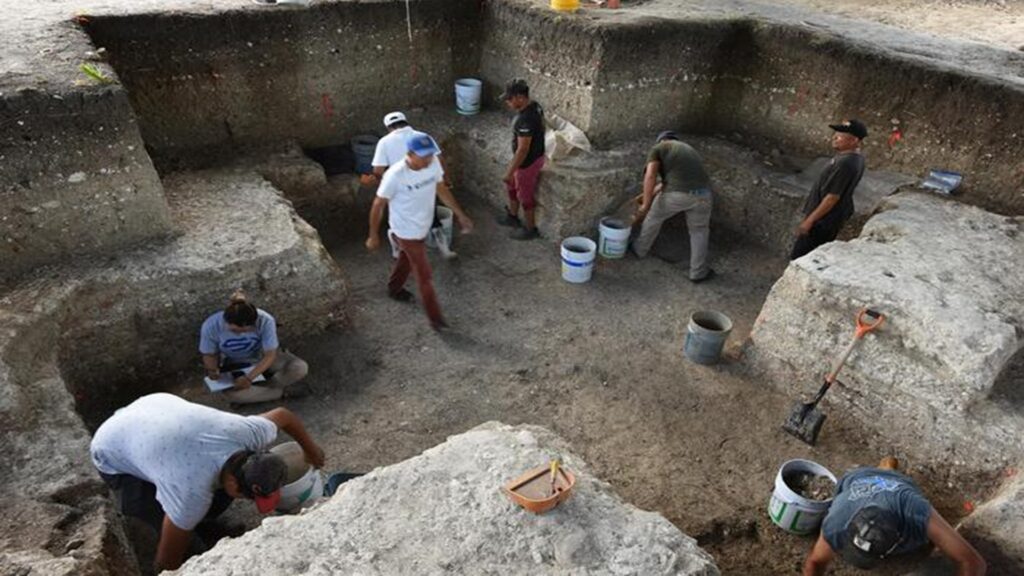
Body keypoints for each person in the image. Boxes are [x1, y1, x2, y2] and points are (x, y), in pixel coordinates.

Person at [90, 393, 326, 572]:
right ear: (235, 482)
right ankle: (197, 534)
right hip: (112, 448)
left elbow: (283, 415)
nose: (249, 501)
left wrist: (312, 451)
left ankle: (202, 525)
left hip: (154, 409)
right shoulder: (191, 491)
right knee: (170, 527)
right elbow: (166, 559)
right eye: (249, 496)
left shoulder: (249, 433)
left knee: (207, 502)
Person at [366, 131, 473, 331]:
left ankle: (394, 288)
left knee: (406, 259)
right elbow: (378, 204)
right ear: (411, 153)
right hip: (405, 230)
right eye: (424, 155)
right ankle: (436, 320)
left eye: (430, 154)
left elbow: (441, 189)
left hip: (422, 225)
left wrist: (460, 214)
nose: (428, 159)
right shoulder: (395, 175)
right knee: (424, 275)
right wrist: (373, 235)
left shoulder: (432, 165)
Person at [803, 457, 986, 575]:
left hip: (899, 486)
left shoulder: (914, 509)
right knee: (881, 473)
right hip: (860, 478)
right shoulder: (836, 522)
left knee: (923, 540)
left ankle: (888, 468)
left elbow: (974, 563)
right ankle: (886, 466)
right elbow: (815, 562)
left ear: (896, 541)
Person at [367, 111, 457, 259]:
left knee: (399, 224)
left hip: (400, 191)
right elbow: (439, 159)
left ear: (388, 127)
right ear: (406, 122)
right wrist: (446, 179)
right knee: (432, 218)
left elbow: (378, 172)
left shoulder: (384, 142)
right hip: (425, 185)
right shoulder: (423, 136)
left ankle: (398, 251)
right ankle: (445, 249)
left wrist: (372, 180)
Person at [630, 131, 714, 283]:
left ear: (661, 141)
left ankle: (639, 250)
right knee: (699, 231)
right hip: (704, 195)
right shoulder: (686, 150)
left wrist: (646, 205)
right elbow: (664, 183)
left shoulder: (658, 149)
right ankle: (698, 272)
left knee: (654, 217)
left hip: (678, 194)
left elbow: (650, 176)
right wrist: (645, 197)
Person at [199, 291, 308, 404]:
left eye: (245, 331)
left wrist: (249, 378)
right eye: (235, 331)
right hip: (233, 365)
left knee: (299, 368)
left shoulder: (265, 320)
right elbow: (209, 354)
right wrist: (212, 370)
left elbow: (270, 354)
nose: (239, 334)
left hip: (262, 359)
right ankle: (281, 392)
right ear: (226, 322)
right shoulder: (211, 325)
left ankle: (262, 389)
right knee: (233, 394)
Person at [790, 119, 867, 260]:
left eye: (840, 136)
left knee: (800, 257)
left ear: (854, 140)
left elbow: (832, 197)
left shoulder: (846, 163)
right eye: (836, 133)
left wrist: (810, 221)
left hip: (823, 221)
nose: (835, 137)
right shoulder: (854, 158)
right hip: (827, 218)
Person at [496, 78, 545, 241]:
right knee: (512, 188)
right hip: (525, 159)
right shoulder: (535, 106)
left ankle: (531, 229)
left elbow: (523, 150)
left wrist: (510, 172)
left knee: (525, 196)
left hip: (527, 163)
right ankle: (513, 216)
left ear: (520, 98)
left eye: (510, 99)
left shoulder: (526, 119)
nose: (508, 103)